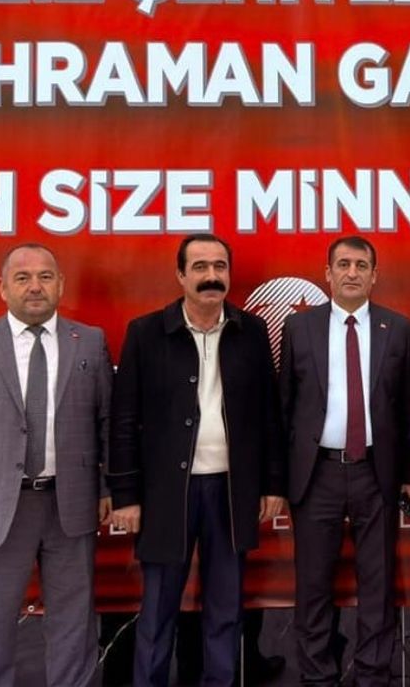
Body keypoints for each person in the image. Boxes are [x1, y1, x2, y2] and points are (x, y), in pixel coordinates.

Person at [0, 243, 112, 686]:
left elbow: (107, 423)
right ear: (2, 287)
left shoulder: (90, 341)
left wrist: (108, 488)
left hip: (71, 505)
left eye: (45, 277)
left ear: (60, 285)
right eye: (23, 277)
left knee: (74, 626)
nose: (35, 286)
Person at [107, 233, 284, 686]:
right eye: (200, 267)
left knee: (226, 609)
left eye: (220, 267)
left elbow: (269, 415)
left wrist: (272, 484)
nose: (211, 276)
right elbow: (123, 419)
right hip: (167, 494)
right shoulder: (146, 333)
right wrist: (125, 494)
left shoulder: (252, 331)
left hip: (231, 491)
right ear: (180, 275)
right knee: (158, 609)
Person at [278, 235, 410, 687]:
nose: (352, 272)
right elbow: (285, 407)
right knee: (313, 584)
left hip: (376, 473)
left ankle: (373, 674)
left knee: (377, 583)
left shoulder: (398, 328)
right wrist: (278, 480)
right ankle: (317, 676)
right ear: (328, 273)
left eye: (362, 265)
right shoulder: (299, 327)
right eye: (343, 264)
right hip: (315, 473)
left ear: (375, 275)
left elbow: (409, 409)